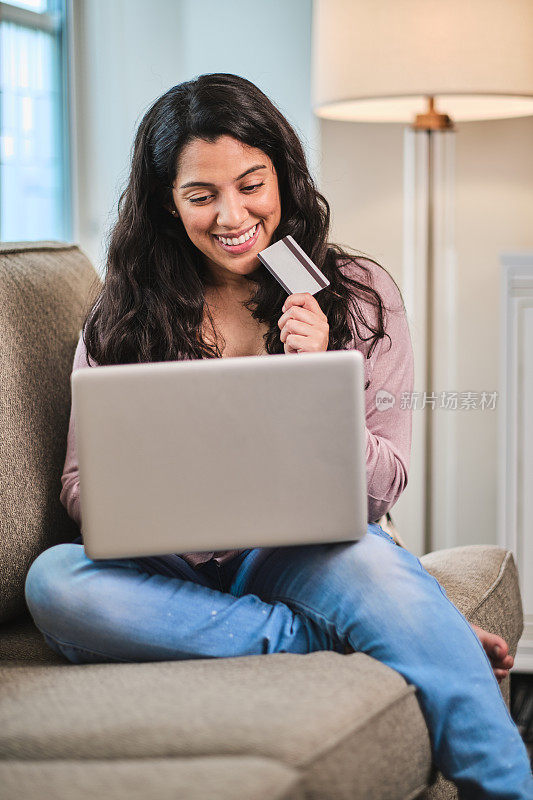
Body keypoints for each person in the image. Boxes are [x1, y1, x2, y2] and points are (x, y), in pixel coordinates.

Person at [24, 73, 532, 799]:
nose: (232, 215)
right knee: (54, 582)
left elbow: (382, 483)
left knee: (368, 563)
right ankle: (363, 633)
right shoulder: (125, 311)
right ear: (168, 204)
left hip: (307, 549)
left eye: (251, 184)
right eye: (200, 195)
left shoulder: (357, 293)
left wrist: (321, 372)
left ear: (284, 179)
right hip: (167, 562)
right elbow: (78, 486)